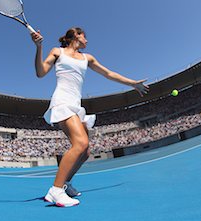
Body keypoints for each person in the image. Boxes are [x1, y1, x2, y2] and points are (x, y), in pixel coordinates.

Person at [31, 27, 149, 207]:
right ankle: (55, 190)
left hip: (76, 105)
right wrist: (38, 47)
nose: (87, 40)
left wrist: (132, 83)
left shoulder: (88, 58)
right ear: (76, 36)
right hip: (62, 101)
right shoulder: (57, 51)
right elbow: (40, 73)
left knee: (85, 152)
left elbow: (108, 74)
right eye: (85, 36)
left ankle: (65, 183)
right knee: (80, 144)